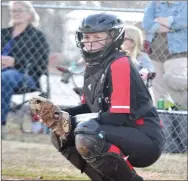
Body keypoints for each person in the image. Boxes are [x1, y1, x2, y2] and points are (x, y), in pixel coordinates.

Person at [29, 13, 165, 181]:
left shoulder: (120, 63)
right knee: (60, 134)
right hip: (118, 130)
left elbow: (118, 117)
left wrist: (70, 121)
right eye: (87, 36)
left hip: (145, 138)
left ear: (113, 38)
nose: (90, 41)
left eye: (97, 36)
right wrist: (59, 114)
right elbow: (88, 109)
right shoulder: (92, 65)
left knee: (86, 133)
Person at [1, 1, 50, 136]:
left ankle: (1, 123)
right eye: (13, 11)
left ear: (29, 14)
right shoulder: (3, 33)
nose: (16, 13)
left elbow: (40, 62)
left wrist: (15, 62)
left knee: (5, 77)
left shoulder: (36, 36)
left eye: (19, 10)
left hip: (26, 76)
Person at [142, 1, 187, 109]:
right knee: (157, 88)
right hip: (156, 51)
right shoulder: (155, 3)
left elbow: (183, 21)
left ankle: (183, 109)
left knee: (175, 80)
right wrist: (171, 23)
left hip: (179, 51)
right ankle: (164, 115)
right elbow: (147, 24)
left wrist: (160, 21)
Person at [121, 25, 156, 103]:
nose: (120, 41)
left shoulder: (141, 57)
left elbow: (149, 68)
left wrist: (145, 71)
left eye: (124, 39)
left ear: (133, 42)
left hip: (139, 95)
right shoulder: (116, 55)